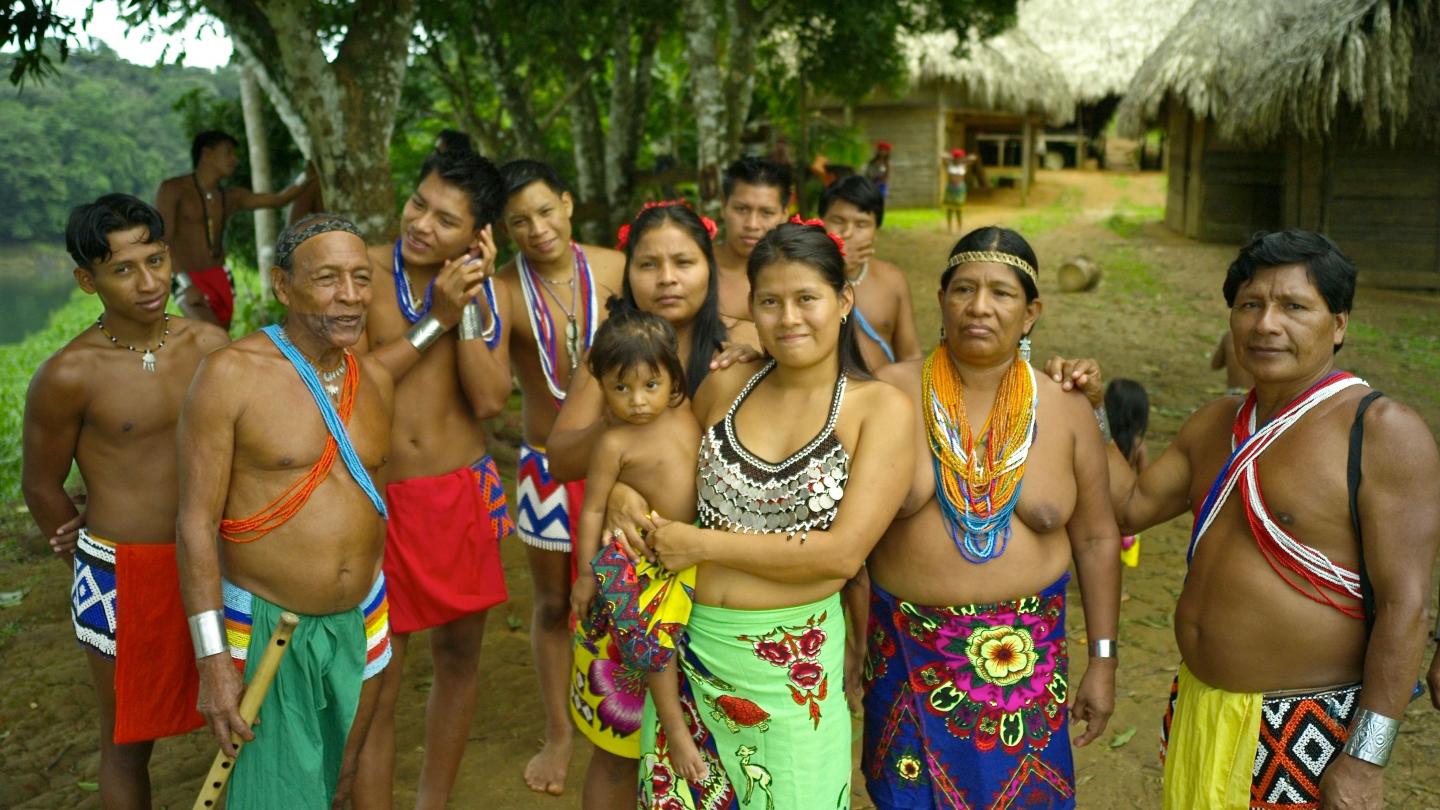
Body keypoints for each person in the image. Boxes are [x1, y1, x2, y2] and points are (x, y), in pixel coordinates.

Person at [1089, 230, 1439, 808]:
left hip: (1308, 730)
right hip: (1199, 710)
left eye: (1294, 307)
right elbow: (1128, 507)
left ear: (1340, 324)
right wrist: (1094, 411)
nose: (1266, 324)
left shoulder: (1382, 433)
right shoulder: (1216, 424)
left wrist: (1365, 760)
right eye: (1250, 305)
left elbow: (1407, 608)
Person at [617, 221, 911, 808]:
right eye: (770, 302)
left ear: (844, 300)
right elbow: (660, 474)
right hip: (689, 654)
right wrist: (622, 496)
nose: (789, 318)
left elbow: (841, 554)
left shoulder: (879, 410)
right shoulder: (727, 386)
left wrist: (703, 545)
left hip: (790, 673)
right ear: (750, 308)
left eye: (808, 299)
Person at [862, 226, 1121, 809]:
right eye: (964, 290)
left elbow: (1101, 538)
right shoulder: (886, 393)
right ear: (941, 301)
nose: (979, 307)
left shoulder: (1065, 405)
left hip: (1027, 674)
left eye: (1001, 294)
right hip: (906, 659)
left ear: (1030, 313)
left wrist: (1103, 661)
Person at [176, 215, 416, 809]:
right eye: (329, 278)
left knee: (341, 780)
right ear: (283, 286)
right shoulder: (231, 374)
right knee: (275, 796)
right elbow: (194, 524)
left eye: (361, 278)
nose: (352, 295)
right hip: (266, 628)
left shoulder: (375, 381)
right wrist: (212, 660)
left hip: (363, 622)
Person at [20, 194, 228, 808]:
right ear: (88, 279)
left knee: (246, 715)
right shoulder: (69, 374)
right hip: (121, 574)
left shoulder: (210, 345)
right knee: (126, 741)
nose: (149, 283)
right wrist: (86, 558)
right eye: (123, 269)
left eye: (156, 260)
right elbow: (40, 483)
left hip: (218, 560)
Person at [544, 201, 735, 808]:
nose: (667, 277)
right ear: (628, 276)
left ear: (710, 268)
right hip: (632, 574)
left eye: (684, 261)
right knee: (619, 745)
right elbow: (560, 456)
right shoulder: (609, 355)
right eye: (648, 264)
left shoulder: (736, 350)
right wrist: (621, 454)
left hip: (722, 585)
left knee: (724, 750)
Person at [353, 148, 512, 810]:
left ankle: (432, 804)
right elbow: (355, 387)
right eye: (418, 203)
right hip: (380, 500)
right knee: (380, 678)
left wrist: (467, 305)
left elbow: (490, 401)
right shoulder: (359, 269)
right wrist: (436, 320)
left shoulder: (483, 296)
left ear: (476, 239)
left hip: (461, 493)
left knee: (458, 660)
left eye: (446, 220)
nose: (420, 223)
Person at [492, 158, 626, 798]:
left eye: (546, 211)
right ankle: (560, 733)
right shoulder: (503, 290)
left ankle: (630, 718)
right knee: (550, 606)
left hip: (625, 459)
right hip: (544, 465)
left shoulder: (615, 268)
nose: (536, 228)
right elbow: (488, 385)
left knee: (629, 596)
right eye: (520, 220)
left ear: (568, 204)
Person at [566, 302, 707, 787]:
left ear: (674, 380)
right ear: (602, 386)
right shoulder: (613, 442)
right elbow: (591, 508)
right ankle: (674, 729)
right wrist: (587, 574)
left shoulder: (691, 415)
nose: (638, 401)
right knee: (652, 643)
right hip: (633, 561)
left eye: (650, 385)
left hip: (686, 554)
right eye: (620, 388)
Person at [155, 130, 316, 331]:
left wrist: (306, 176)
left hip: (221, 276)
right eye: (229, 152)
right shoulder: (173, 189)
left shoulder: (230, 197)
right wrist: (185, 283)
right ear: (207, 154)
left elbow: (278, 200)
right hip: (186, 276)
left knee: (220, 337)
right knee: (213, 337)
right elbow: (162, 240)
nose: (235, 160)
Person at [819, 175, 921, 368]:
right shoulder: (802, 278)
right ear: (821, 221)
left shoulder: (892, 279)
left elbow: (910, 356)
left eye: (861, 224)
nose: (847, 233)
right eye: (838, 220)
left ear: (876, 229)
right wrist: (837, 271)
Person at [713, 158, 790, 337]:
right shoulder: (695, 268)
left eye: (766, 213)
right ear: (723, 207)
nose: (752, 224)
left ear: (784, 215)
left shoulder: (796, 272)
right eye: (741, 209)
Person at [1104, 378, 1150, 568]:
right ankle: (1118, 590)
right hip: (1125, 504)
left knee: (1101, 546)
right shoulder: (1138, 445)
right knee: (1118, 554)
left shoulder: (1101, 442)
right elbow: (1146, 479)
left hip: (1101, 501)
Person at [940, 148, 978, 233]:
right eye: (956, 157)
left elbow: (974, 157)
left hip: (960, 189)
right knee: (949, 209)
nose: (958, 159)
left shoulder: (963, 165)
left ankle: (959, 228)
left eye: (959, 157)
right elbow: (942, 155)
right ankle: (949, 228)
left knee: (959, 210)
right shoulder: (950, 164)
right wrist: (952, 158)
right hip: (950, 188)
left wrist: (963, 160)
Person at [1211, 331, 1254, 395]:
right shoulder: (1268, 336)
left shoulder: (1229, 335)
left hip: (1233, 394)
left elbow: (1215, 365)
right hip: (1259, 395)